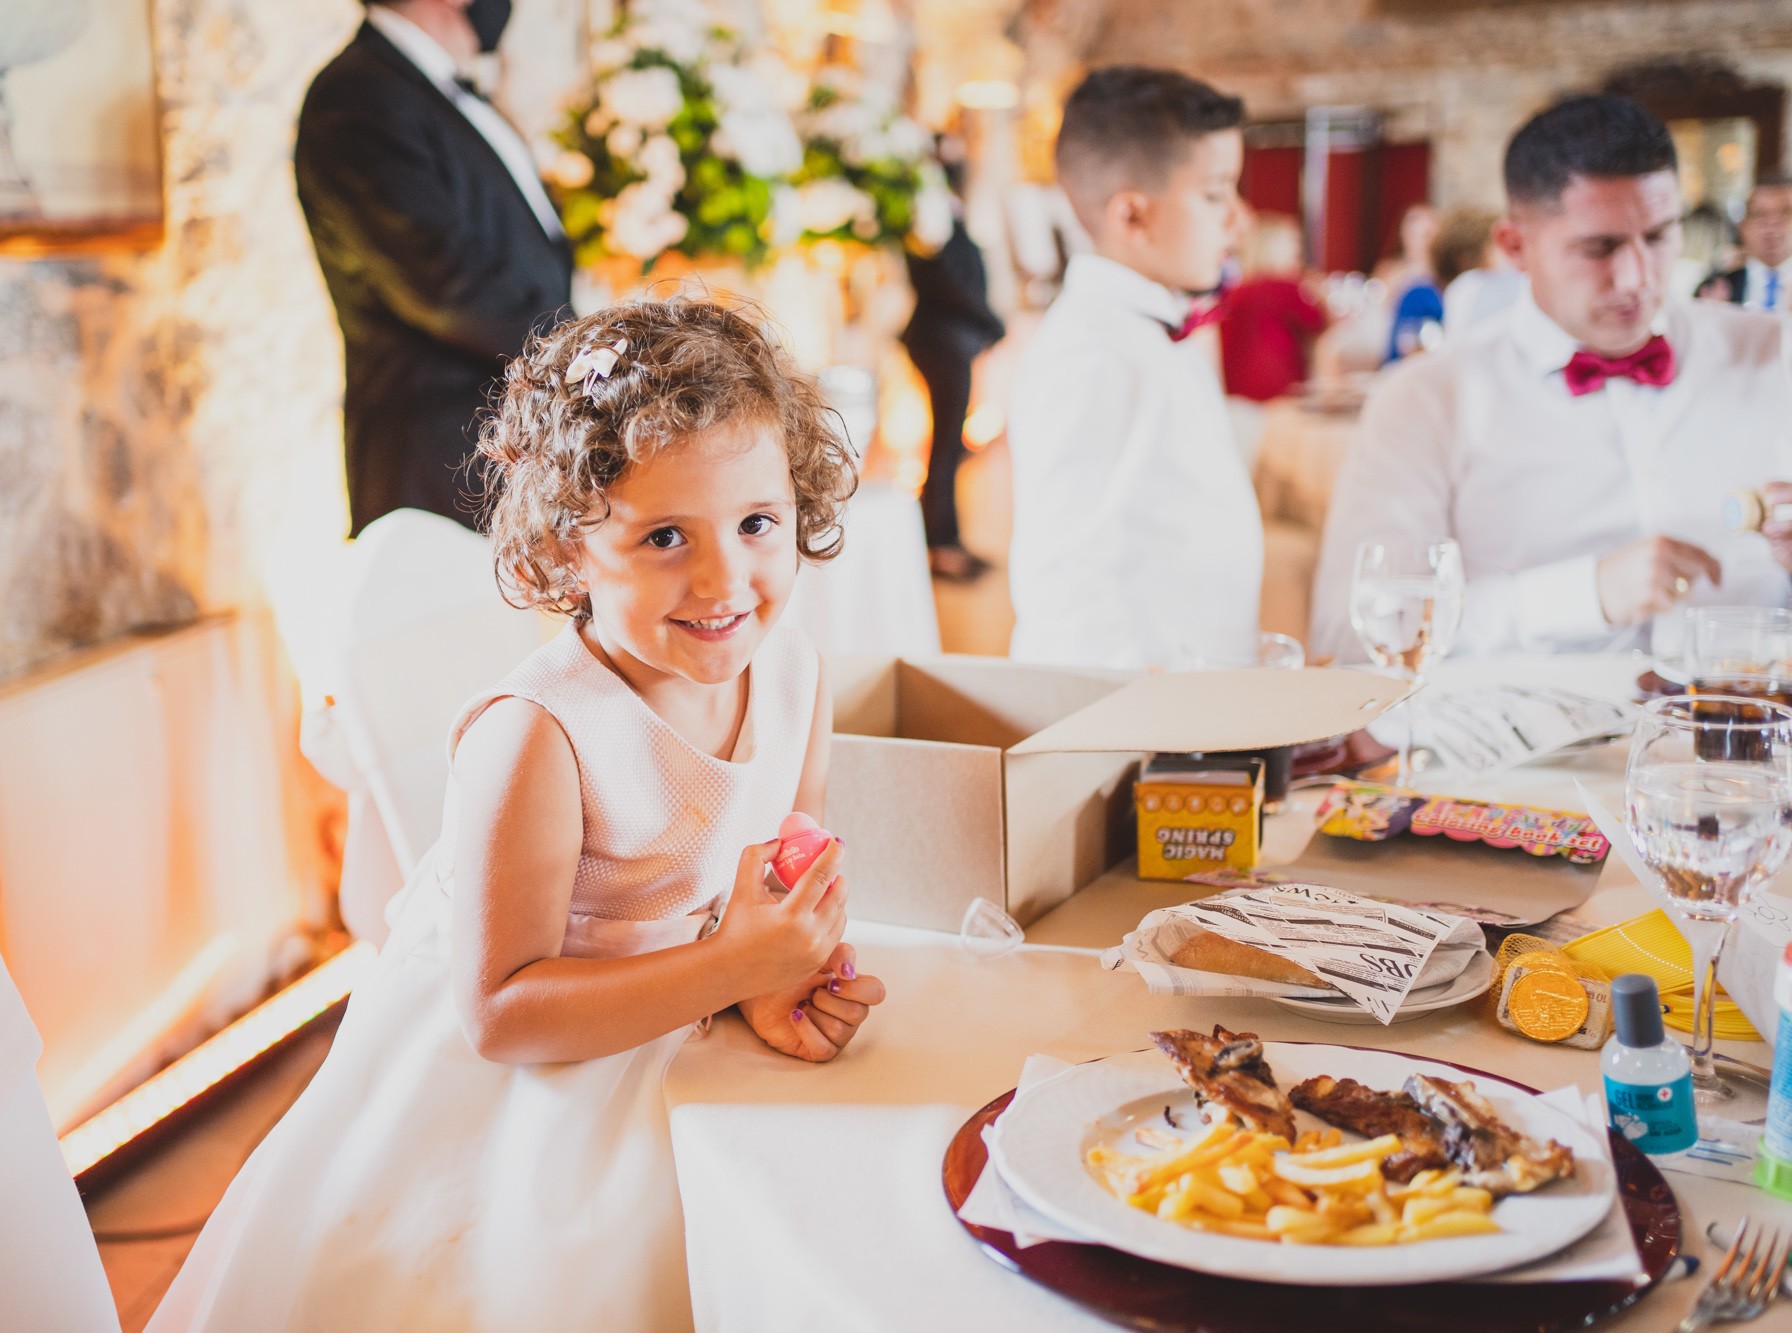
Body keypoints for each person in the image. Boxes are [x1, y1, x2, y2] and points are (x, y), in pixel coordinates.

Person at [147, 300, 885, 1332]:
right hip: (518, 1082)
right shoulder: (540, 735)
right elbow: (499, 1011)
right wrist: (728, 970)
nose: (723, 578)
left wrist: (767, 982)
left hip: (677, 1013)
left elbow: (759, 890)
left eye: (756, 523)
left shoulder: (796, 674)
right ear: (566, 549)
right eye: (664, 536)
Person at [1311, 95, 1792, 661]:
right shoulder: (1425, 399)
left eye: (1659, 236)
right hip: (1519, 720)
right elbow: (1352, 636)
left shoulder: (1774, 354)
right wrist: (1582, 596)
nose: (1637, 278)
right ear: (1515, 246)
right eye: (1600, 247)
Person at [1007, 66, 1261, 670]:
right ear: (1132, 217)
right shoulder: (1091, 354)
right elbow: (1066, 578)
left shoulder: (1153, 329)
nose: (1240, 219)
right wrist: (1143, 717)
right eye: (1215, 194)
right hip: (1141, 706)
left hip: (1199, 686)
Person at [295, 0, 574, 536]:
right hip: (443, 463)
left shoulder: (429, 89)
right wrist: (593, 354)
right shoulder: (356, 96)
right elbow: (447, 288)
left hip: (507, 449)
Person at [904, 142, 1006, 582]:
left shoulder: (946, 210)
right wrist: (990, 321)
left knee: (950, 443)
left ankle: (946, 538)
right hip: (941, 341)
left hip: (951, 340)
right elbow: (946, 281)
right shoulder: (926, 214)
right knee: (946, 444)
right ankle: (940, 544)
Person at [1221, 211, 1327, 404]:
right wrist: (1320, 295)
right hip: (1278, 387)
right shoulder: (1286, 287)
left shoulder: (1234, 290)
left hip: (1234, 386)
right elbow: (1318, 322)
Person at [1697, 175, 1792, 313]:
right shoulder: (1719, 286)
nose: (1772, 224)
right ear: (1742, 227)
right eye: (1760, 214)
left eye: (1785, 212)